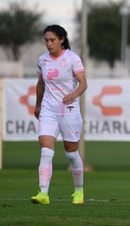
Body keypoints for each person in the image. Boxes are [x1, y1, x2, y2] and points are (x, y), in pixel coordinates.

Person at [31, 24, 88, 205]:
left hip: (68, 110)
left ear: (61, 40)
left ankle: (78, 191)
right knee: (46, 151)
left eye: (52, 40)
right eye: (46, 40)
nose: (49, 44)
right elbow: (41, 84)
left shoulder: (72, 58)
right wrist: (38, 105)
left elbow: (83, 83)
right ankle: (43, 194)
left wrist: (74, 94)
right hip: (48, 110)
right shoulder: (42, 60)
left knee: (71, 154)